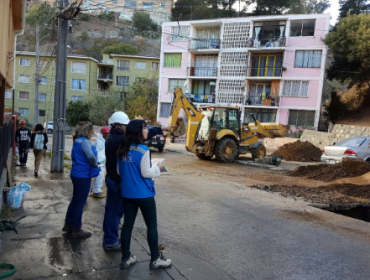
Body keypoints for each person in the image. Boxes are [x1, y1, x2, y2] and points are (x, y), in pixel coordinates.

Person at [103, 111, 172, 251]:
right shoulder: (118, 141)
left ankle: (112, 241)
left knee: (115, 213)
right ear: (117, 126)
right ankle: (110, 241)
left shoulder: (113, 138)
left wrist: (161, 129)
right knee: (115, 213)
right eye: (124, 126)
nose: (127, 128)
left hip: (113, 180)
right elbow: (136, 137)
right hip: (117, 182)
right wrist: (158, 168)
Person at [117, 119, 172, 270]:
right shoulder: (143, 150)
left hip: (127, 194)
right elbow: (146, 172)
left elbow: (118, 171)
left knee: (127, 226)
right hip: (144, 195)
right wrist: (158, 168)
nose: (147, 130)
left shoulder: (122, 148)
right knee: (152, 227)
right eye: (145, 128)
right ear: (138, 131)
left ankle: (126, 258)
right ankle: (155, 259)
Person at [63, 122, 100, 239]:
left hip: (76, 174)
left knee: (75, 200)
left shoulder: (77, 141)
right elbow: (90, 156)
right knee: (80, 202)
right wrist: (96, 165)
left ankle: (68, 224)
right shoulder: (84, 141)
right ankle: (76, 229)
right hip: (83, 175)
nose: (93, 133)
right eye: (92, 130)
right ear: (87, 131)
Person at [92, 126, 110, 198]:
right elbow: (97, 154)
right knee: (99, 177)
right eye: (107, 134)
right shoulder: (100, 142)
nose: (109, 135)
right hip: (99, 163)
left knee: (99, 177)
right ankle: (96, 191)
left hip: (101, 162)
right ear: (104, 134)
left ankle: (95, 189)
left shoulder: (102, 141)